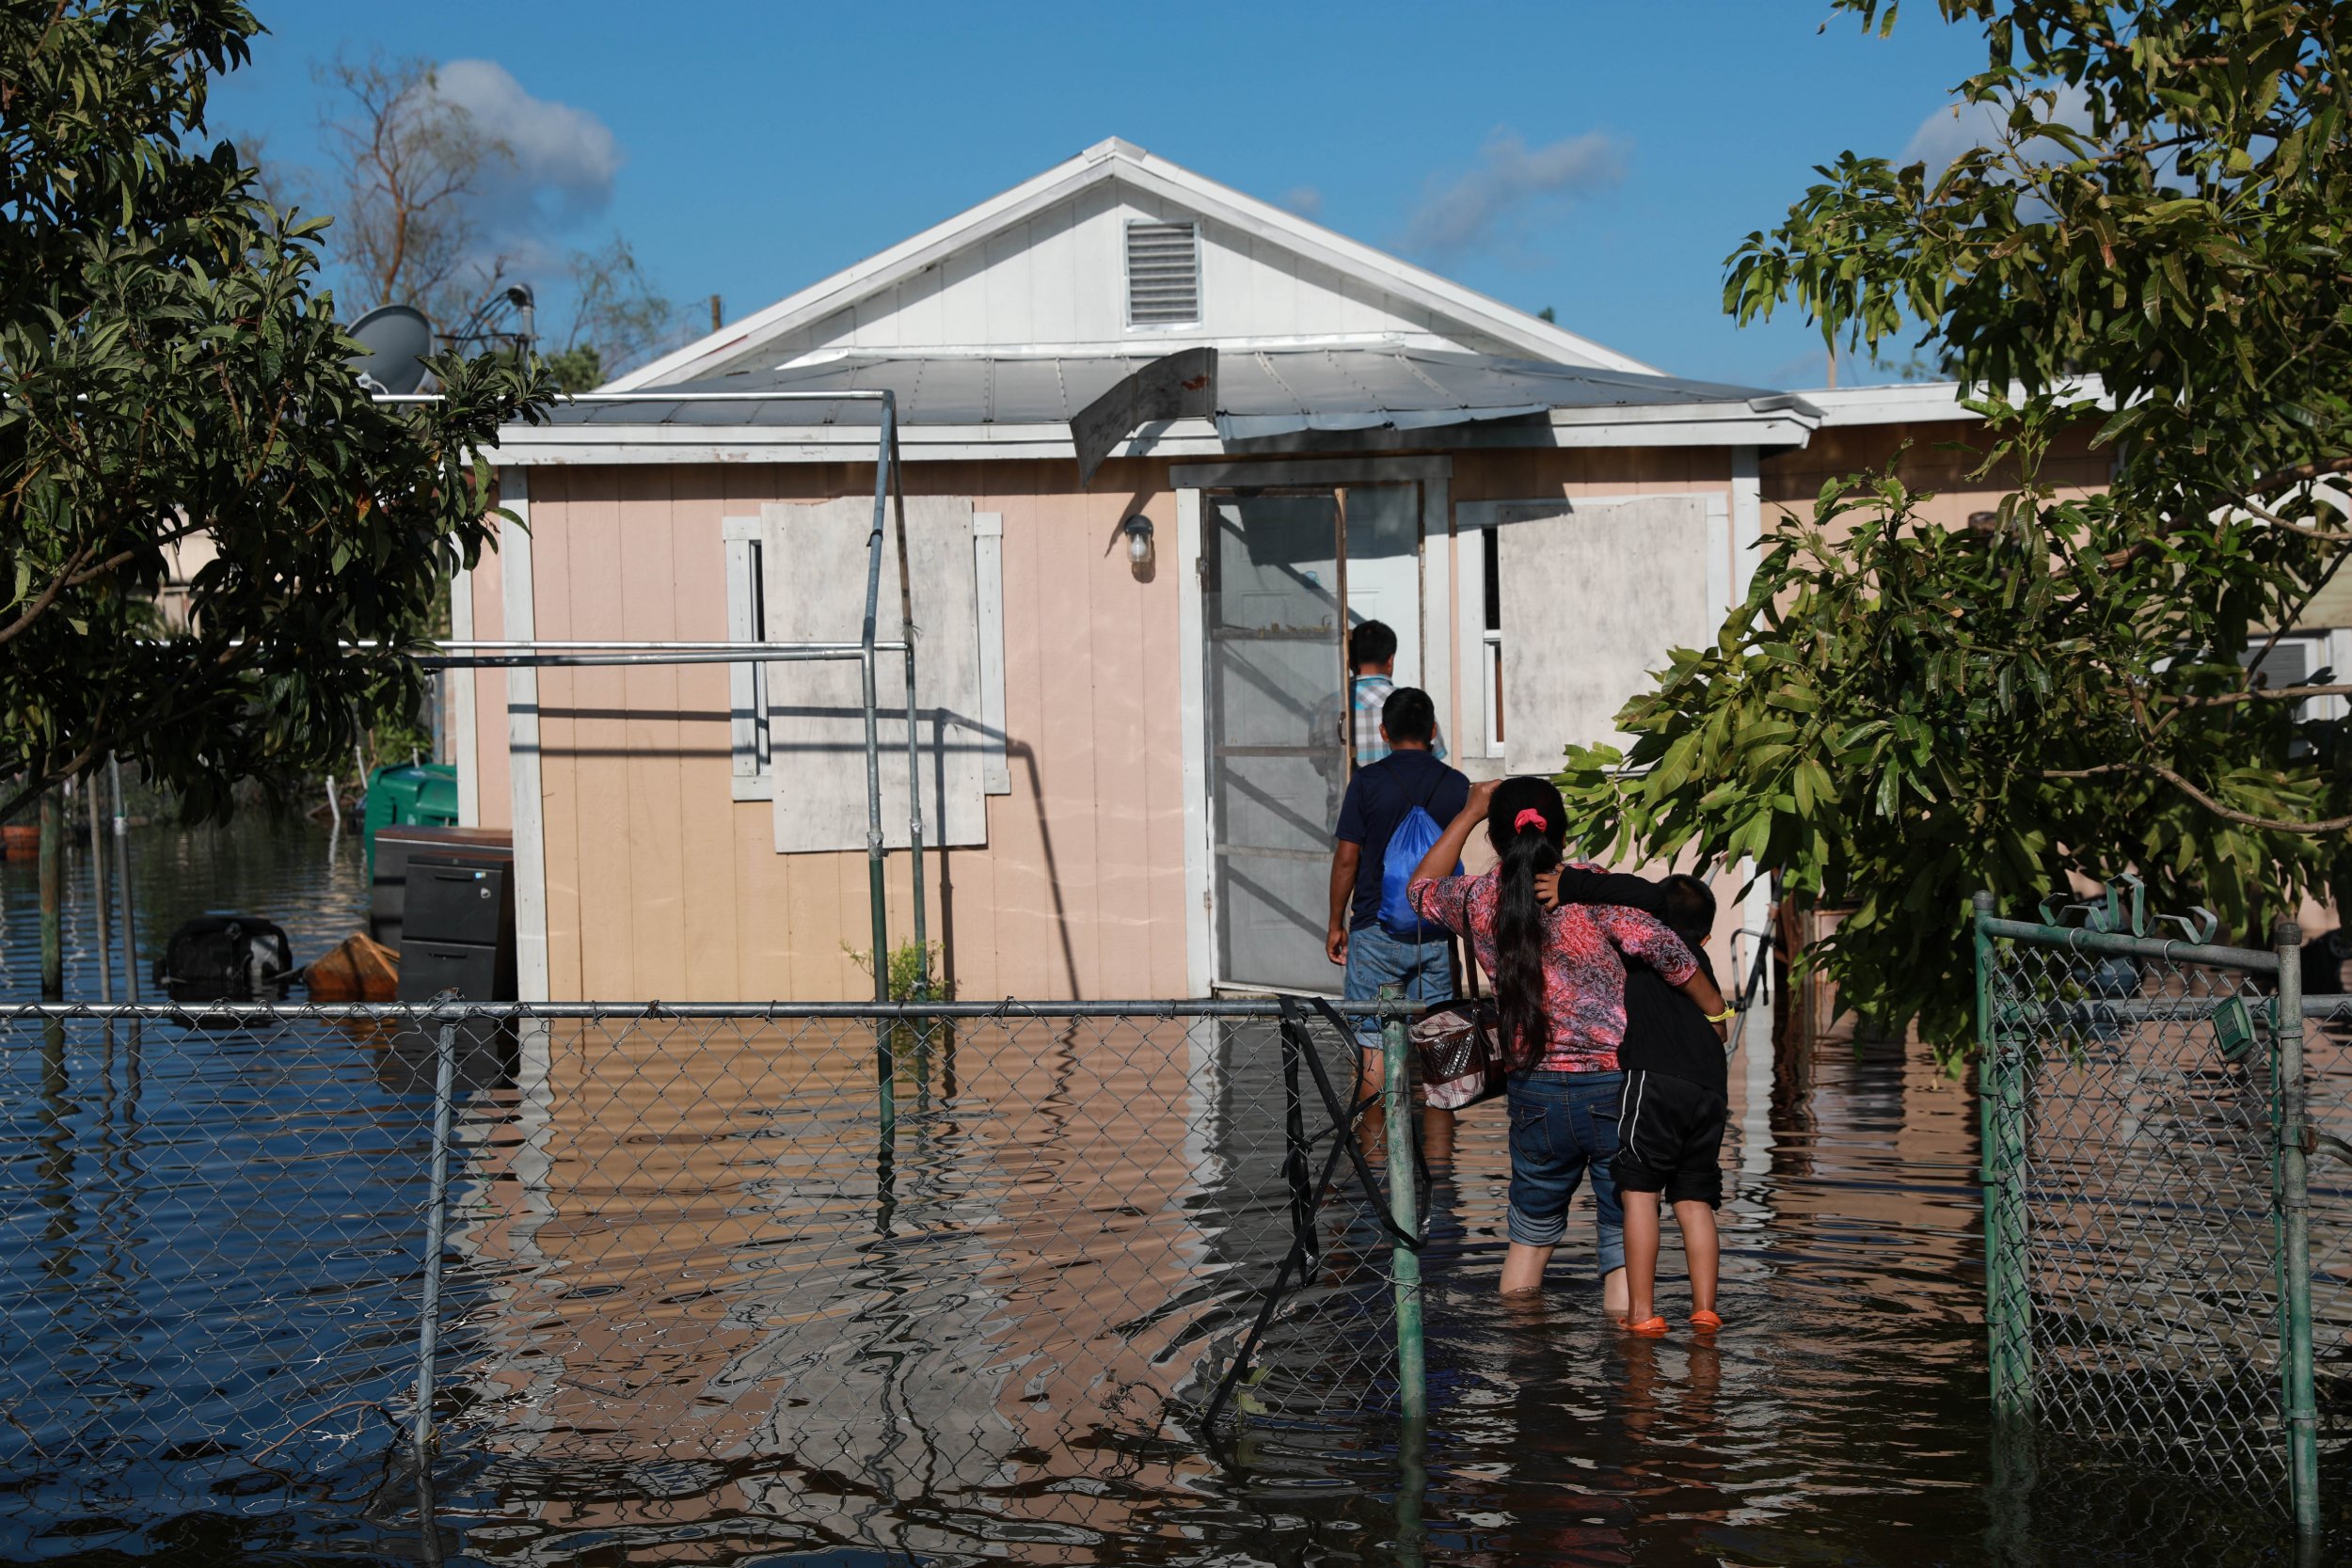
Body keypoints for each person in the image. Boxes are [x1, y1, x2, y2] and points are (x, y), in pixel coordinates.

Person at [1407, 777, 1726, 1308]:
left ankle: (1521, 1362)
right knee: (1621, 1245)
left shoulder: (1481, 898)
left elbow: (1420, 889)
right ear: (1562, 830)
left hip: (1533, 1091)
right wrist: (1715, 1011)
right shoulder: (1591, 889)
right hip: (1615, 1089)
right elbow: (1665, 947)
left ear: (1496, 835)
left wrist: (1467, 812)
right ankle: (1632, 1367)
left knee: (1528, 1243)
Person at [1328, 685, 1468, 1152]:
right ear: (1432, 732)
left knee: (1372, 1052)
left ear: (1384, 732)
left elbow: (1347, 860)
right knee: (1443, 1056)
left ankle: (1374, 1167)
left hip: (1374, 931)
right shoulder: (1455, 785)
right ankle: (1441, 1184)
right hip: (1437, 934)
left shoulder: (1367, 783)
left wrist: (1336, 922)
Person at [1597, 874, 1734, 1337]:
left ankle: (1641, 1312)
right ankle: (1705, 1310)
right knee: (1695, 1200)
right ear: (1708, 937)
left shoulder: (1643, 951)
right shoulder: (1705, 972)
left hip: (1654, 1080)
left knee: (1639, 1192)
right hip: (1710, 1088)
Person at [1347, 620, 1446, 768]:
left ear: (1350, 661)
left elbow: (1319, 766)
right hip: (1404, 792)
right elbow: (1433, 760)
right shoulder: (1413, 705)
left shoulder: (1329, 706)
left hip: (1345, 792)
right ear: (1390, 660)